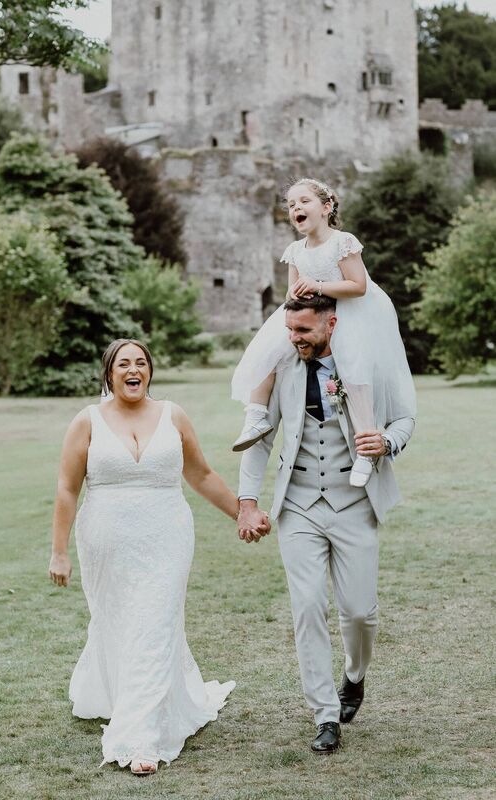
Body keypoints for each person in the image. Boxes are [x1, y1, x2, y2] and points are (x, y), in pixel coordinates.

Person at [48, 338, 270, 776]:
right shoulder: (87, 420)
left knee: (155, 623)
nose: (133, 370)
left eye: (141, 363)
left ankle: (141, 738)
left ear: (150, 370)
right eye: (123, 364)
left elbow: (201, 474)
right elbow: (67, 489)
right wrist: (58, 551)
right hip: (106, 542)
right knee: (119, 621)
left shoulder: (173, 415)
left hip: (166, 537)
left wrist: (241, 513)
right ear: (109, 373)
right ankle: (119, 695)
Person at [237, 294, 415, 754]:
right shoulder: (281, 367)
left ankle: (354, 676)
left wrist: (386, 441)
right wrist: (247, 502)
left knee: (359, 612)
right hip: (298, 504)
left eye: (303, 331)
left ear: (331, 323)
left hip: (355, 500)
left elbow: (405, 418)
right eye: (289, 330)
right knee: (308, 607)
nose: (293, 339)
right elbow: (259, 440)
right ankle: (325, 714)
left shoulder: (368, 361)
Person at [231, 177, 416, 488]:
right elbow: (291, 293)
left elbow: (358, 285)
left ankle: (365, 449)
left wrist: (317, 285)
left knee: (355, 372)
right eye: (291, 205)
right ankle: (256, 416)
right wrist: (297, 293)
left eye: (304, 201)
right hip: (312, 313)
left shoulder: (342, 242)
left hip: (350, 313)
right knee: (267, 354)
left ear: (327, 207)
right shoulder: (295, 250)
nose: (296, 208)